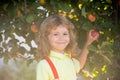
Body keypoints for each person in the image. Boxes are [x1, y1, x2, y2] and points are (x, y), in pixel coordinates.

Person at [36, 14, 99, 80]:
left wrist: (88, 42)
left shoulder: (69, 59)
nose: (61, 38)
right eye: (56, 34)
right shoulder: (44, 65)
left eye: (65, 34)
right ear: (46, 38)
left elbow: (80, 64)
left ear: (70, 36)